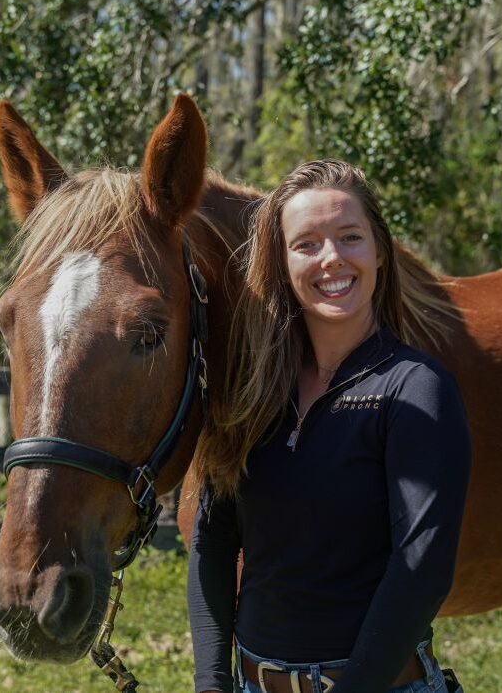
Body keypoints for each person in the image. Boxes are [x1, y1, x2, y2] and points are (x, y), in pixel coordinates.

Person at [187, 159, 471, 693]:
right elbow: (213, 542)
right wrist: (211, 684)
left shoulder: (415, 388)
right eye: (307, 243)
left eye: (350, 237)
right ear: (281, 261)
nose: (332, 258)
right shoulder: (250, 391)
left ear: (380, 251)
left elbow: (422, 570)